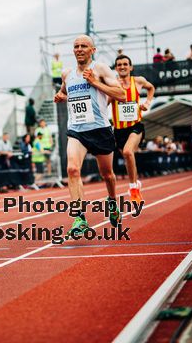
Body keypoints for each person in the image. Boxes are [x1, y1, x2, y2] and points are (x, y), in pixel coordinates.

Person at [54, 34, 126, 235]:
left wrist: (95, 82)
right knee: (72, 169)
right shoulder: (67, 74)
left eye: (84, 46)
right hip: (77, 130)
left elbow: (121, 94)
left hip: (100, 129)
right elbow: (65, 92)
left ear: (92, 50)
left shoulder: (101, 69)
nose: (79, 49)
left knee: (107, 175)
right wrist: (62, 96)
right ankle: (79, 218)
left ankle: (112, 203)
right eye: (76, 46)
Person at [110, 54, 155, 203]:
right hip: (118, 130)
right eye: (119, 65)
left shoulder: (139, 81)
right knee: (128, 157)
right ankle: (135, 182)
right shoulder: (112, 84)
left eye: (125, 64)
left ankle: (133, 187)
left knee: (129, 152)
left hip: (135, 126)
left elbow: (151, 88)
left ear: (130, 67)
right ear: (116, 68)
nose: (122, 67)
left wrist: (147, 103)